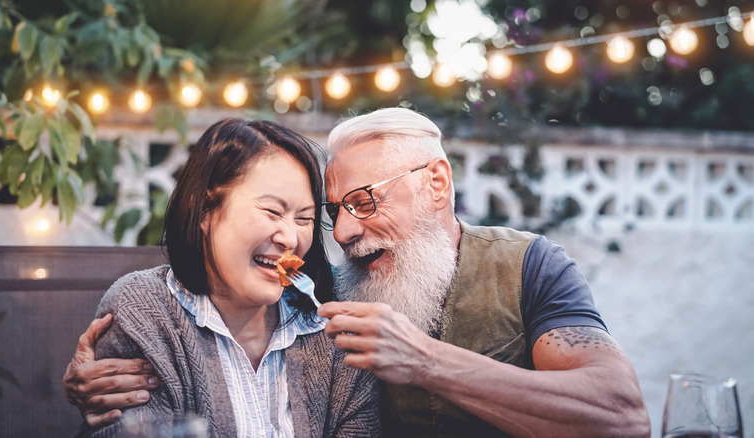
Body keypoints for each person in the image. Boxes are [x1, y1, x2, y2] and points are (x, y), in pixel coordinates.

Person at [64, 108, 650, 437]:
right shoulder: (330, 301)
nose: (340, 233)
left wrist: (424, 361)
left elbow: (622, 415)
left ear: (437, 184)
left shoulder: (530, 266)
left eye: (364, 200)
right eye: (335, 211)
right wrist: (91, 396)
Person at [67, 118, 380, 437]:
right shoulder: (144, 312)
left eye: (305, 219)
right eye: (272, 212)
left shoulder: (334, 330)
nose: (290, 237)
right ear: (205, 209)